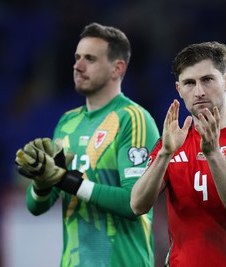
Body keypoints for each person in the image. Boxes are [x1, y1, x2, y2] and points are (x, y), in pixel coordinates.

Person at [15, 23, 159, 267]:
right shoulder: (68, 122)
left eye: (90, 59)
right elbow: (36, 207)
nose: (77, 66)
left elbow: (134, 203)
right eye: (77, 57)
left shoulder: (133, 119)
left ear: (117, 68)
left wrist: (64, 180)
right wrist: (42, 182)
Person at [130, 41, 226, 267]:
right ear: (178, 89)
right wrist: (165, 154)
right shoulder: (171, 142)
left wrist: (213, 154)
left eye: (207, 80)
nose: (199, 92)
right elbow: (137, 205)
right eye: (189, 83)